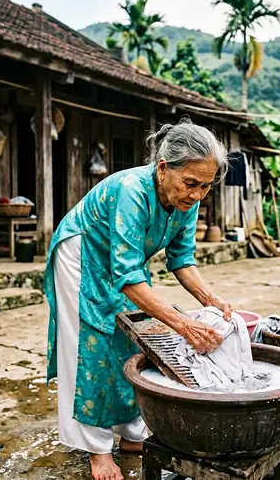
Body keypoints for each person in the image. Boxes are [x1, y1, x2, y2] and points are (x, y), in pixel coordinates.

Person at [44, 118, 233, 480]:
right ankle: (96, 447)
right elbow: (129, 278)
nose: (196, 194)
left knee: (134, 338)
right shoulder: (132, 190)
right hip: (81, 253)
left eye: (206, 187)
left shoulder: (187, 199)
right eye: (190, 183)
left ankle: (132, 433)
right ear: (163, 168)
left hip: (122, 262)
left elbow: (182, 259)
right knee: (93, 341)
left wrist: (211, 300)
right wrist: (182, 324)